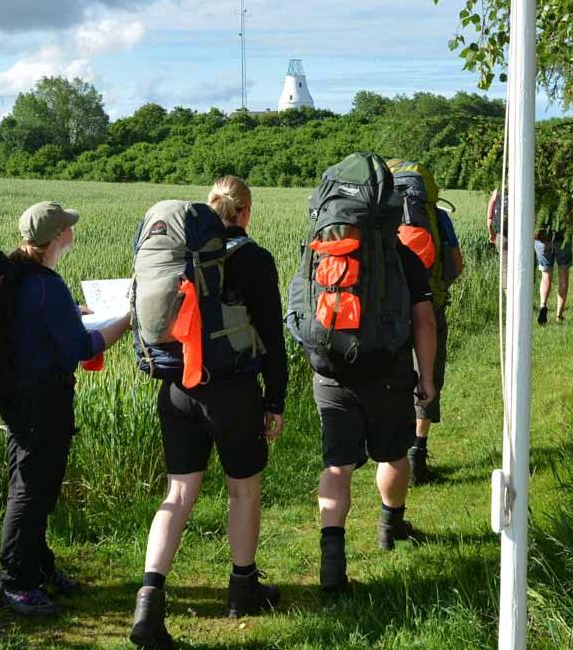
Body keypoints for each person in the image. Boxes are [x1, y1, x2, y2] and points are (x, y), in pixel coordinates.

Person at [129, 177, 287, 649]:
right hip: (230, 391)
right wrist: (274, 399)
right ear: (244, 212)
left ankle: (149, 602)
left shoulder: (183, 256)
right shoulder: (254, 260)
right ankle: (243, 589)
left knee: (178, 493)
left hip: (177, 388)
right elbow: (272, 337)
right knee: (243, 491)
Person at [0, 201, 131, 617]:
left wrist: (72, 313)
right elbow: (80, 347)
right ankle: (17, 583)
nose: (72, 230)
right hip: (43, 402)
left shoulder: (21, 275)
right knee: (32, 491)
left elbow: (34, 326)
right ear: (57, 237)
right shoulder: (45, 285)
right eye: (67, 227)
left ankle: (38, 566)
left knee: (30, 484)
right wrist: (125, 321)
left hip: (20, 398)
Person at [313, 224, 437, 592]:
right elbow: (424, 321)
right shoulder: (402, 257)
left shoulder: (322, 252)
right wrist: (426, 377)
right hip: (387, 372)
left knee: (337, 465)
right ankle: (390, 525)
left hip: (332, 374)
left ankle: (331, 569)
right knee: (394, 454)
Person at [407, 207, 462, 485]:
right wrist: (437, 289)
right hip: (429, 304)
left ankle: (392, 454)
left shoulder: (374, 214)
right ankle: (417, 453)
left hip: (383, 315)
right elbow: (456, 263)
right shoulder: (436, 215)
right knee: (427, 375)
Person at [535, 199, 573, 325]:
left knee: (546, 275)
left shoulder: (539, 193)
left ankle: (543, 305)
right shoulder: (565, 193)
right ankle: (559, 316)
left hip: (542, 240)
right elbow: (572, 216)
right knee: (563, 277)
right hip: (562, 239)